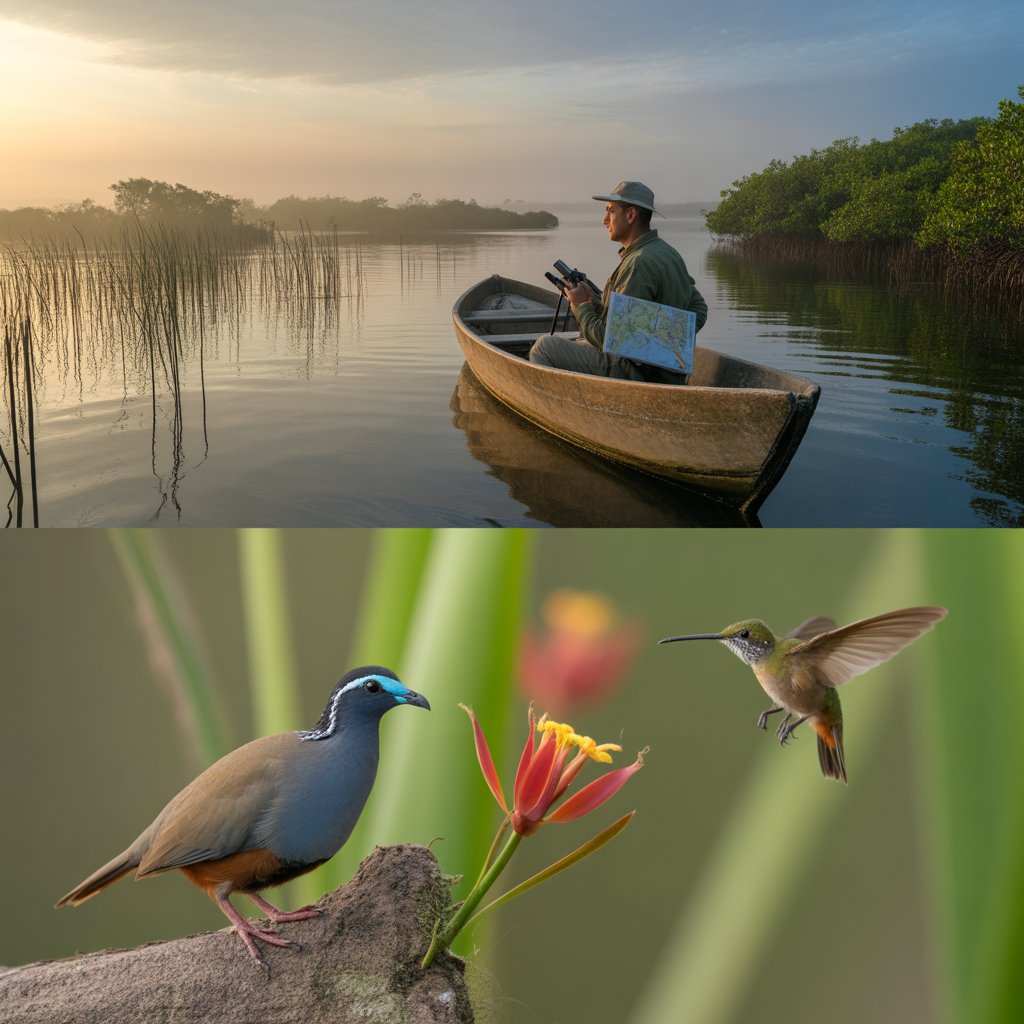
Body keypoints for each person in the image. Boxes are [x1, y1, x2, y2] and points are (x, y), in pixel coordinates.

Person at [529, 181, 708, 384]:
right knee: (579, 341)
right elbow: (699, 309)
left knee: (544, 347)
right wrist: (596, 301)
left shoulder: (638, 263)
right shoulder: (667, 252)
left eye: (611, 211)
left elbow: (609, 339)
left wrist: (581, 306)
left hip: (640, 373)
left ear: (631, 215)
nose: (605, 220)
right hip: (667, 371)